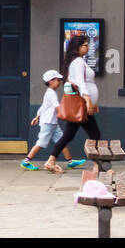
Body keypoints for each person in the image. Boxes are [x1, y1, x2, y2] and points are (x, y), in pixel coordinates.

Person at [44, 34, 99, 173]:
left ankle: (51, 160)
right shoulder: (78, 62)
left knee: (69, 134)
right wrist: (87, 100)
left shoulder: (77, 61)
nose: (88, 47)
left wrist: (92, 102)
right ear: (78, 47)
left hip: (81, 104)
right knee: (95, 134)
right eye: (85, 45)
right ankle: (97, 164)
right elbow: (80, 82)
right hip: (81, 104)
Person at [21, 70, 82, 173]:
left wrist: (37, 117)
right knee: (41, 143)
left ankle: (70, 162)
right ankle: (26, 161)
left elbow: (43, 107)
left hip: (53, 123)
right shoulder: (51, 94)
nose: (59, 82)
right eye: (57, 80)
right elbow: (57, 107)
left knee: (62, 141)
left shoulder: (50, 93)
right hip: (48, 123)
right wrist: (68, 115)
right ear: (50, 81)